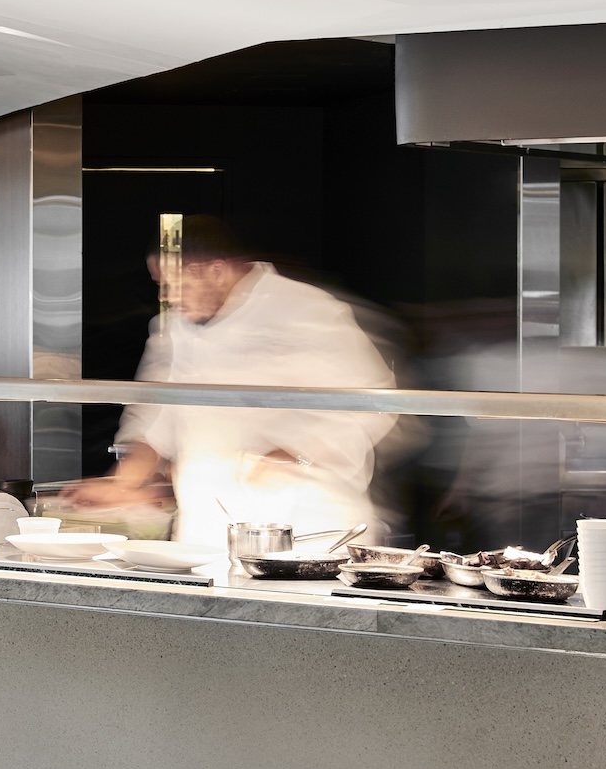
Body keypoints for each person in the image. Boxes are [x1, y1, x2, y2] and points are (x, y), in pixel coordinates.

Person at [66, 218, 395, 545]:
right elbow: (154, 413)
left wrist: (295, 453)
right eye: (160, 284)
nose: (166, 296)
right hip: (206, 529)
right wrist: (124, 482)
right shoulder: (172, 329)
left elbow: (373, 402)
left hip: (308, 525)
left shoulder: (307, 310)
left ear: (215, 270)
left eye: (174, 284)